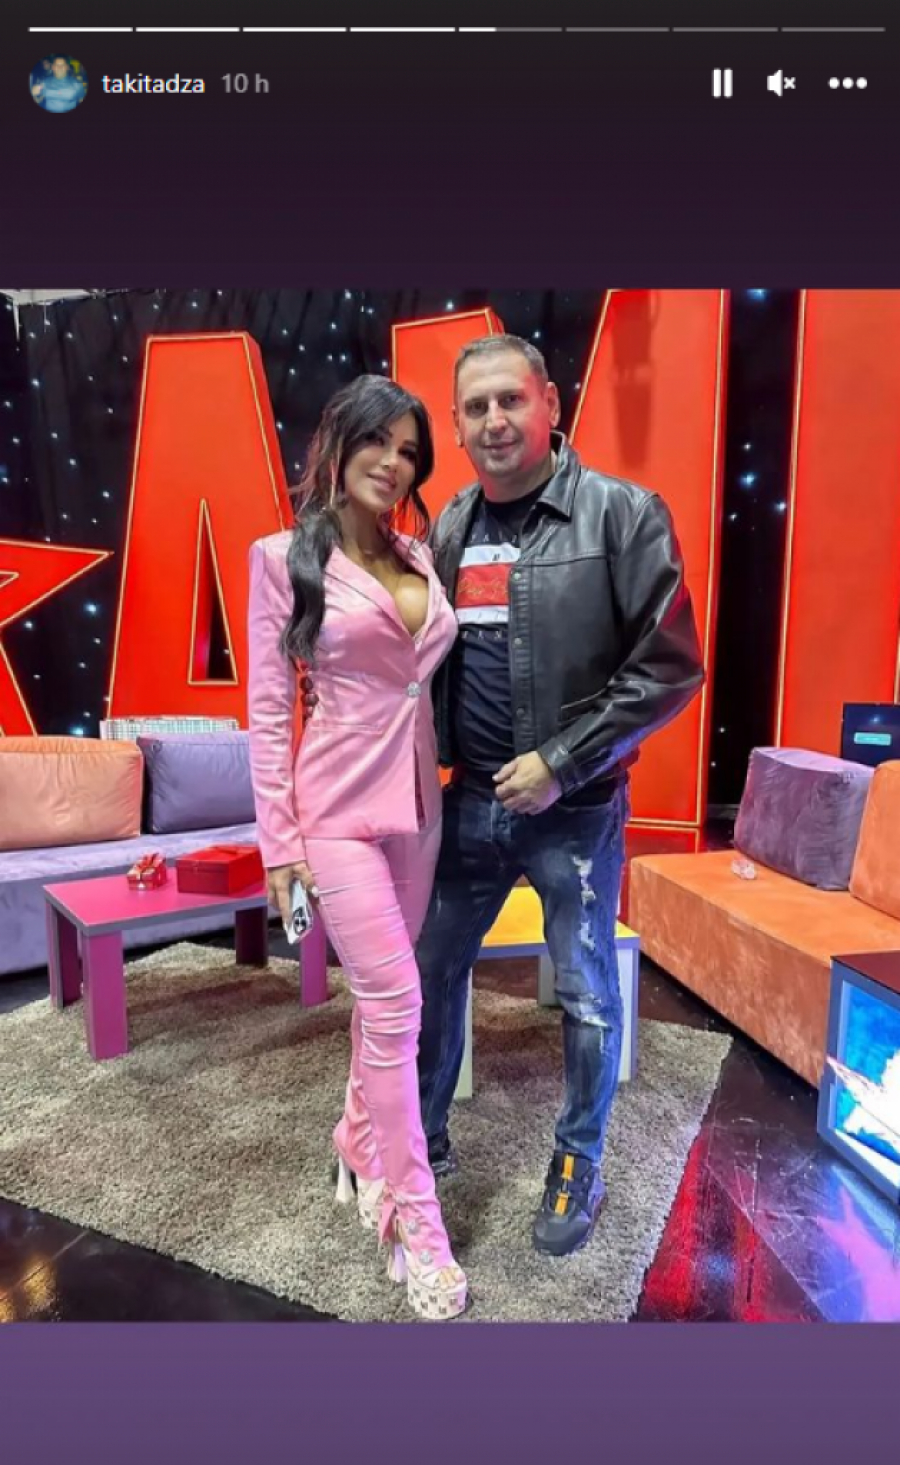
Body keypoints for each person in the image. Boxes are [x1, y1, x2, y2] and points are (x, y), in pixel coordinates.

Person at [307, 335, 705, 1258]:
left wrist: (561, 761)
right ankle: (420, 1140)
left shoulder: (622, 514)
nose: (494, 420)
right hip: (467, 804)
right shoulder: (447, 524)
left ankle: (578, 1160)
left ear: (550, 403)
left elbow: (671, 666)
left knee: (587, 990)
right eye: (475, 407)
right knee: (428, 972)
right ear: (456, 425)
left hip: (575, 809)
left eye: (510, 400)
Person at [247, 375, 467, 1320]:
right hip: (332, 815)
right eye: (378, 440)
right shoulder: (281, 558)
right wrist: (279, 846)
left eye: (410, 450)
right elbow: (268, 711)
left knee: (382, 1008)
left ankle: (355, 1137)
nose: (394, 462)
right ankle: (416, 1219)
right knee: (399, 1002)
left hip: (419, 807)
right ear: (338, 443)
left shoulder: (419, 552)